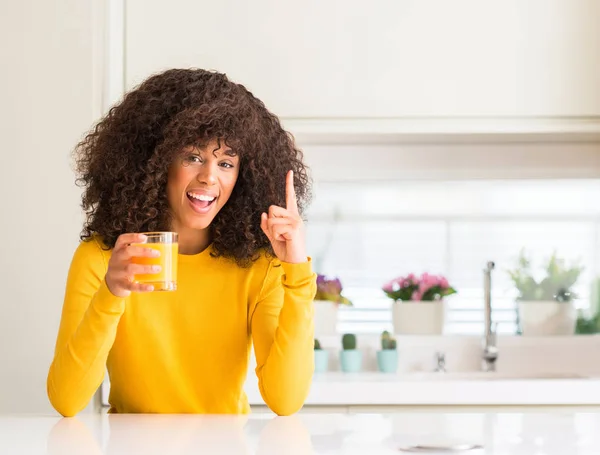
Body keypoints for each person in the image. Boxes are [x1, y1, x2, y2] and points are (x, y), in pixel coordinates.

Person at [47, 68, 317, 417]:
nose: (209, 176)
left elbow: (286, 400)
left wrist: (296, 272)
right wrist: (111, 294)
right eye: (193, 157)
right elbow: (66, 400)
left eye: (226, 162)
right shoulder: (104, 259)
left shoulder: (259, 267)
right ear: (156, 162)